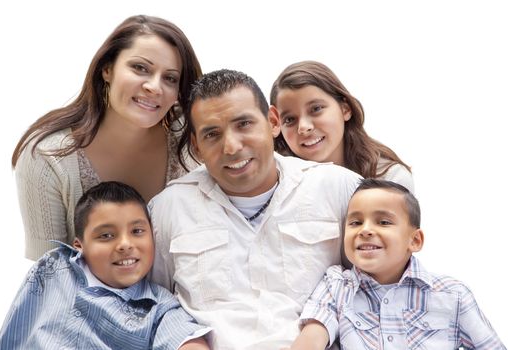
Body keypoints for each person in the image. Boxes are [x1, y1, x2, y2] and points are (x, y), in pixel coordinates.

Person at [149, 69, 362, 349]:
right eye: (212, 134)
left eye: (244, 124)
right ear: (196, 147)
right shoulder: (168, 208)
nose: (232, 146)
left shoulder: (339, 189)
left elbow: (379, 286)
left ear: (273, 122)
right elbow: (154, 303)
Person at [11, 15, 202, 260]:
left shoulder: (191, 137)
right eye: (140, 68)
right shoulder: (47, 158)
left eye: (170, 78)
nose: (154, 87)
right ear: (107, 69)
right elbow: (48, 278)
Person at [288, 178, 505, 349]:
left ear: (415, 240)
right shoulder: (336, 285)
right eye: (355, 222)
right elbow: (313, 335)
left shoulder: (452, 295)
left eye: (383, 222)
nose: (365, 230)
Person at [0, 181, 210, 350]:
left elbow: (184, 337)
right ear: (80, 246)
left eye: (137, 231)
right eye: (106, 235)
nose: (125, 245)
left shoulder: (158, 307)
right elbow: (16, 325)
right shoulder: (53, 267)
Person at [269, 60, 414, 192]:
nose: (304, 127)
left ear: (345, 109)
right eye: (289, 119)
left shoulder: (390, 178)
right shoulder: (275, 184)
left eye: (316, 109)